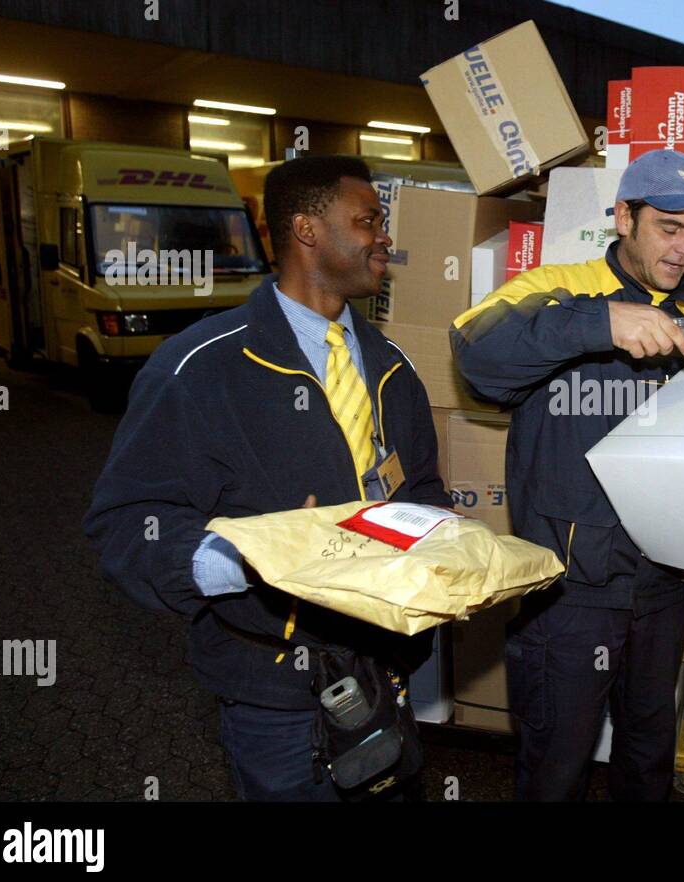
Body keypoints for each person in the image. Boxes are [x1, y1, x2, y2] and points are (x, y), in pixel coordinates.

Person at [83, 155, 448, 801]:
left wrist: (449, 545)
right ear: (307, 230)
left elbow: (418, 489)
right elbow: (127, 521)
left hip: (383, 667)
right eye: (368, 220)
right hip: (274, 689)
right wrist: (248, 559)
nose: (384, 238)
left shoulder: (394, 367)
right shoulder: (200, 367)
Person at [451, 149, 684, 801]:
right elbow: (476, 353)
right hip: (573, 591)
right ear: (624, 217)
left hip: (663, 578)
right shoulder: (560, 287)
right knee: (558, 762)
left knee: (647, 751)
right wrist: (601, 321)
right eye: (669, 226)